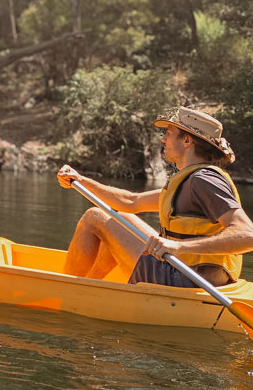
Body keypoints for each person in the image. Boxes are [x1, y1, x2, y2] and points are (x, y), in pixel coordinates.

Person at [57, 106, 253, 287]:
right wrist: (81, 181)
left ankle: (66, 290)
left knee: (94, 217)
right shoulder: (191, 179)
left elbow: (248, 235)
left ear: (187, 141)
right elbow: (131, 202)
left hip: (186, 278)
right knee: (121, 220)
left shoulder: (203, 180)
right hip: (188, 272)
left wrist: (178, 246)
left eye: (169, 133)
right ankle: (90, 285)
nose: (163, 139)